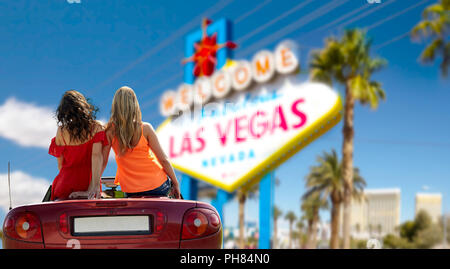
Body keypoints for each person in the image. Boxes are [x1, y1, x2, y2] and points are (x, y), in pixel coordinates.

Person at [104, 86, 181, 199]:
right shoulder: (145, 128)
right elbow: (163, 160)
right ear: (135, 104)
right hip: (157, 185)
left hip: (131, 190)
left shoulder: (110, 131)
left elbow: (102, 160)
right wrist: (176, 183)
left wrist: (94, 185)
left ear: (115, 106)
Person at [48, 90, 109, 200]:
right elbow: (96, 156)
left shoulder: (61, 131)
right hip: (88, 185)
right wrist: (94, 186)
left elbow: (60, 165)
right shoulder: (96, 127)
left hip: (64, 184)